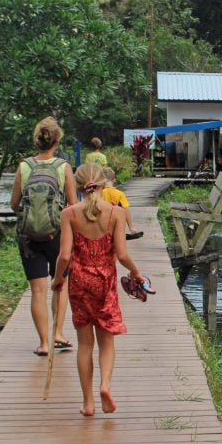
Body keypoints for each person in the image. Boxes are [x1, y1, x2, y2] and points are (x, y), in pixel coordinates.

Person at [52, 163, 145, 417]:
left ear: (79, 187)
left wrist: (58, 279)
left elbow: (64, 255)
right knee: (106, 341)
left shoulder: (69, 214)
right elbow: (122, 255)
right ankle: (105, 385)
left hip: (80, 283)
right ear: (105, 184)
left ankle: (88, 402)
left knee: (84, 344)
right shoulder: (115, 214)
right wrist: (136, 273)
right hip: (105, 282)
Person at [10, 116, 77, 357]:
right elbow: (72, 205)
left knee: (37, 290)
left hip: (29, 237)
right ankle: (58, 333)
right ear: (57, 140)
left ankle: (43, 343)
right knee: (59, 285)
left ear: (37, 140)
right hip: (57, 235)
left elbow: (13, 204)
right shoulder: (63, 167)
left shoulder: (24, 166)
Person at [102, 166, 143, 239]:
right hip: (116, 223)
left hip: (101, 224)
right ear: (114, 180)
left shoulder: (98, 194)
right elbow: (126, 210)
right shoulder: (119, 194)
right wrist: (131, 227)